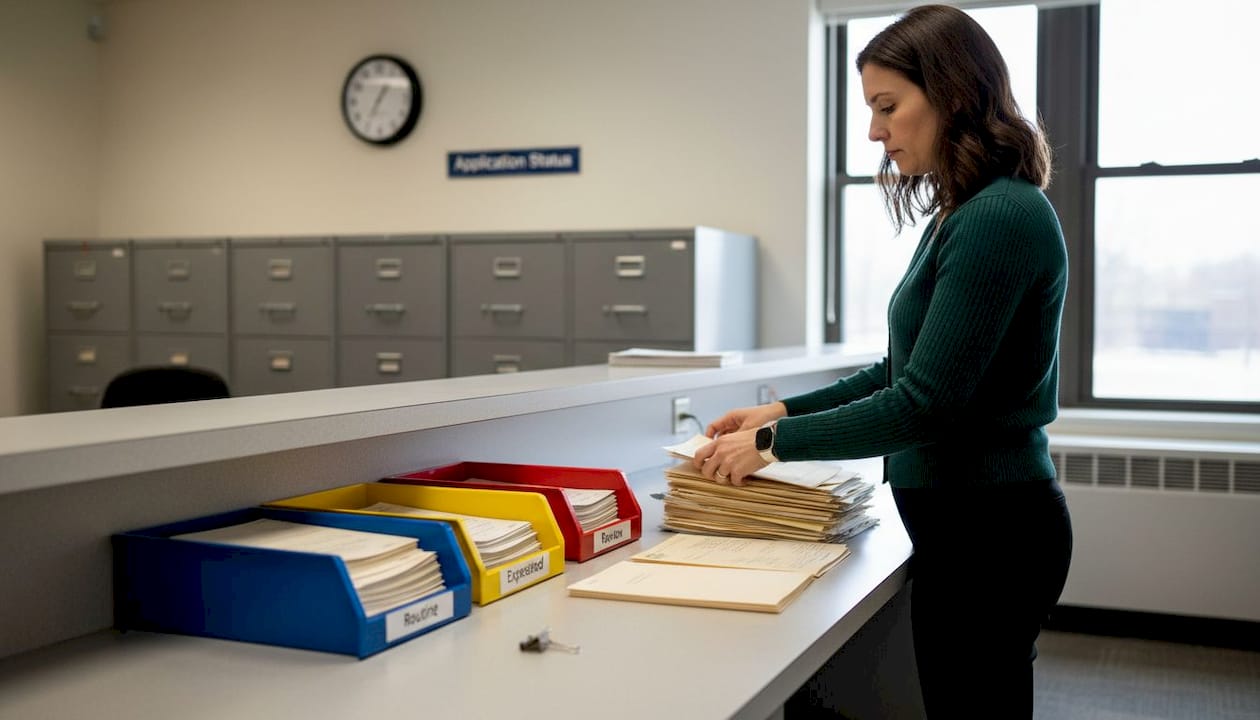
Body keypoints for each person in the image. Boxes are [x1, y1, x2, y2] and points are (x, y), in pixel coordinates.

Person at [691, 5, 1073, 718]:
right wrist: (781, 410)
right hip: (966, 528)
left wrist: (773, 445)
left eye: (888, 107)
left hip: (990, 535)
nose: (874, 132)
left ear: (953, 93)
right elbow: (902, 370)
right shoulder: (959, 215)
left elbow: (924, 404)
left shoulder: (998, 216)